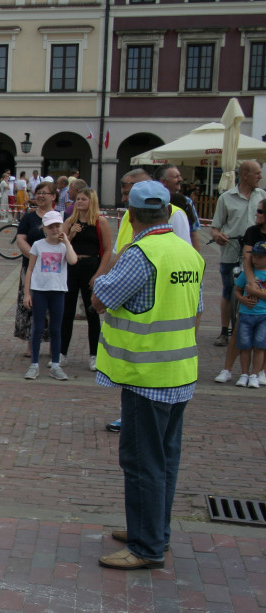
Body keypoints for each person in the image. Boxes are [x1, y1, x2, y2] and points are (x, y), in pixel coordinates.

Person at [92, 180, 203, 570]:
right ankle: (156, 532)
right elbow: (198, 309)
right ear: (168, 212)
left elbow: (101, 299)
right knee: (165, 459)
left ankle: (145, 546)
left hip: (147, 374)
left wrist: (100, 280)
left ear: (132, 215)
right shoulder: (187, 252)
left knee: (142, 462)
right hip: (180, 371)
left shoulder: (142, 254)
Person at [209, 161, 266, 347]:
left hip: (259, 257)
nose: (260, 176)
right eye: (257, 173)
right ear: (245, 175)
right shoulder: (226, 198)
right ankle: (225, 331)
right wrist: (219, 236)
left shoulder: (263, 196)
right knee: (228, 291)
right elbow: (215, 228)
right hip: (231, 253)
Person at [215, 198, 266, 385]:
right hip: (252, 281)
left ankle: (260, 371)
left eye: (260, 211)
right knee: (238, 330)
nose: (256, 214)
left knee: (263, 336)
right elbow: (247, 258)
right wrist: (252, 285)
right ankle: (227, 369)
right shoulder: (253, 231)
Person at [60, 189, 112, 371]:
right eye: (78, 199)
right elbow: (60, 244)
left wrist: (98, 274)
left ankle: (94, 355)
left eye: (84, 199)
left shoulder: (100, 222)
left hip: (91, 266)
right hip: (72, 266)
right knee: (67, 311)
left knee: (92, 314)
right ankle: (61, 352)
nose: (79, 202)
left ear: (92, 201)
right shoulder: (69, 221)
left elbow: (107, 250)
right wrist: (71, 234)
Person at [23, 211, 77, 380]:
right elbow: (30, 269)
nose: (54, 229)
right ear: (44, 228)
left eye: (57, 226)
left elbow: (73, 260)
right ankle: (34, 364)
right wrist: (27, 293)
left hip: (58, 291)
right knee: (38, 328)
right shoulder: (38, 245)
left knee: (55, 328)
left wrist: (67, 242)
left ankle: (55, 364)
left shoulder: (63, 247)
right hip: (40, 290)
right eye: (50, 226)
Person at [13, 180, 58, 353]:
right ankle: (31, 344)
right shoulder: (29, 217)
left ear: (53, 196)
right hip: (30, 267)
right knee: (30, 305)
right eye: (38, 193)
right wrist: (34, 255)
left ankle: (55, 344)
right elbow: (20, 238)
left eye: (44, 193)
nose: (40, 196)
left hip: (53, 270)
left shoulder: (59, 217)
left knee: (52, 307)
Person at [232, 241, 266, 388]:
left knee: (260, 346)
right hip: (246, 314)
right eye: (254, 257)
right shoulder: (247, 273)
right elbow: (237, 291)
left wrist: (254, 292)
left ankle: (254, 374)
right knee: (244, 346)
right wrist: (243, 299)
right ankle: (244, 373)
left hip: (263, 315)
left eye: (260, 257)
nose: (256, 260)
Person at [157, 164, 201, 253]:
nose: (180, 179)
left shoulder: (186, 202)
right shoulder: (153, 202)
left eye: (179, 176)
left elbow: (193, 233)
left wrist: (197, 260)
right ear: (163, 182)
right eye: (176, 177)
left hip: (182, 254)